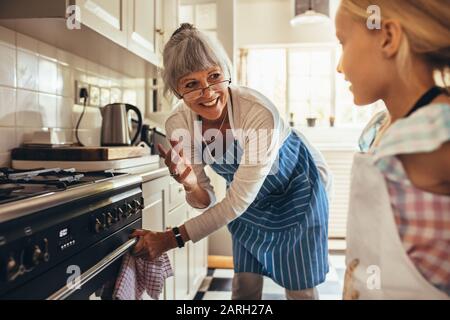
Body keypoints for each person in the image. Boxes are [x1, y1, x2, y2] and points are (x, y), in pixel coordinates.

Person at [131, 23, 332, 300]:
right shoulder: (179, 125)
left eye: (214, 76)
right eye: (191, 84)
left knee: (300, 289)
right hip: (247, 207)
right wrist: (190, 184)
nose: (208, 92)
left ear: (226, 73)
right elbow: (207, 201)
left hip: (297, 196)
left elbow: (235, 201)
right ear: (178, 91)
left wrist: (170, 239)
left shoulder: (258, 113)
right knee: (244, 286)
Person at [335, 0, 450, 299]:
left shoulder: (439, 133)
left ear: (387, 37)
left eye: (343, 43)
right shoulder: (378, 128)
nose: (339, 66)